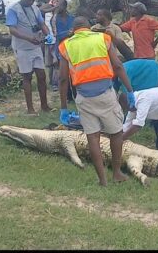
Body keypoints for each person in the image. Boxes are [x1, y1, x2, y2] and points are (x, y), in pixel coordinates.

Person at [58, 16, 135, 186]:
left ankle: (102, 180)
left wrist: (63, 107)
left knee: (93, 138)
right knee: (115, 133)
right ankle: (116, 173)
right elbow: (118, 66)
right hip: (106, 94)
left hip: (84, 98)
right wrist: (130, 91)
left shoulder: (65, 45)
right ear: (88, 27)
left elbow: (63, 79)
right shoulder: (103, 38)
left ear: (74, 30)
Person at [6, 0, 53, 115]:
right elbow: (12, 30)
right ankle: (30, 109)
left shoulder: (35, 8)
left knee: (42, 76)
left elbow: (42, 24)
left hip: (35, 46)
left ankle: (44, 106)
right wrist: (28, 38)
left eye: (33, 0)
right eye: (29, 0)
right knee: (27, 76)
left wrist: (48, 35)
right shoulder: (13, 9)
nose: (31, 2)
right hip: (22, 48)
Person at [53, 0, 75, 101]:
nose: (58, 7)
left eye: (60, 5)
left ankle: (75, 94)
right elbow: (56, 35)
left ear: (65, 7)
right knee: (64, 74)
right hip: (61, 48)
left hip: (73, 48)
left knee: (74, 73)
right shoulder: (54, 19)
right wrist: (68, 33)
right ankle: (68, 96)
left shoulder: (72, 18)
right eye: (57, 5)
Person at [40, 3, 58, 91]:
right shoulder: (50, 16)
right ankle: (54, 83)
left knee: (52, 64)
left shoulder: (49, 16)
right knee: (53, 63)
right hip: (51, 41)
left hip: (50, 41)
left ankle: (53, 83)